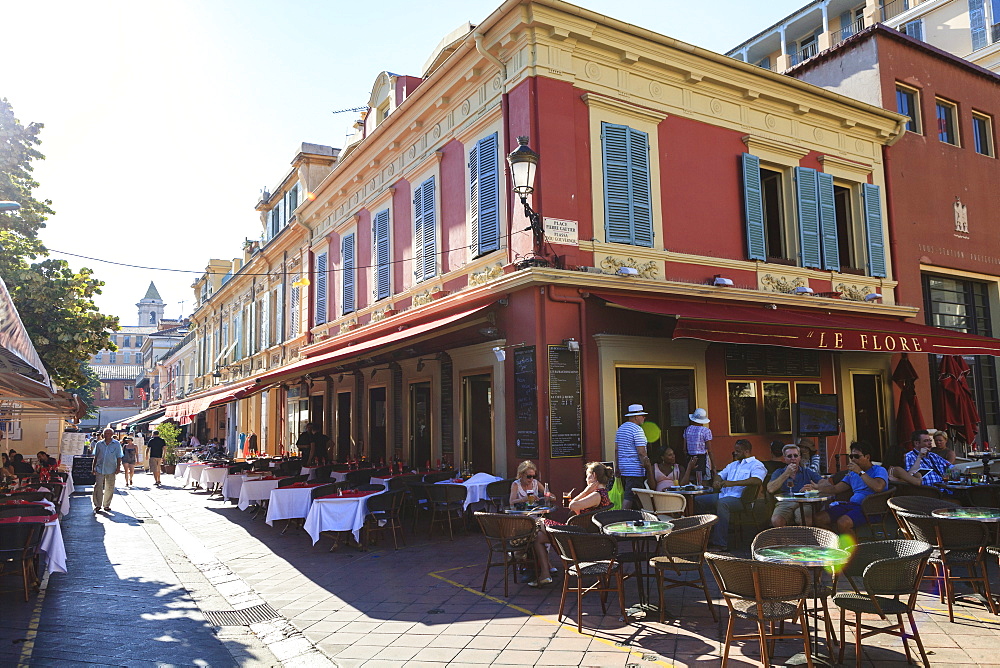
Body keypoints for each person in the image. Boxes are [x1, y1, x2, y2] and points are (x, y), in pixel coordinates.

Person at [529, 461, 614, 587]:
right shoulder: (602, 493)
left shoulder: (596, 495)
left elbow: (572, 505)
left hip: (578, 538)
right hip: (582, 534)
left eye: (587, 476)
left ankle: (521, 554)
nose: (586, 479)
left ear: (594, 476)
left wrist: (585, 491)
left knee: (540, 521)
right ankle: (545, 574)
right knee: (538, 538)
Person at [694, 439, 766, 550]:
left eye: (738, 451)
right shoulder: (733, 465)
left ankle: (720, 543)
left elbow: (757, 480)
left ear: (746, 451)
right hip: (724, 495)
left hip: (741, 499)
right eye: (735, 450)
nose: (735, 453)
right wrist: (716, 481)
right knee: (699, 500)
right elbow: (720, 474)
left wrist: (732, 483)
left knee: (722, 504)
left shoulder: (756, 465)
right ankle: (701, 537)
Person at [805, 441, 888, 535]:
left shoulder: (879, 470)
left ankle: (852, 549)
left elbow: (878, 487)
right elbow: (836, 489)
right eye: (851, 456)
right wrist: (817, 488)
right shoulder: (852, 473)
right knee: (819, 518)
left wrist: (860, 472)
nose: (853, 459)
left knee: (843, 523)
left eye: (857, 456)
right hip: (852, 505)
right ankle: (836, 542)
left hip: (870, 508)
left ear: (867, 457)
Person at [767, 444, 821, 527]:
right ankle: (786, 540)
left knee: (805, 520)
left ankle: (803, 539)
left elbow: (826, 484)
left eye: (795, 456)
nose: (793, 459)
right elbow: (770, 489)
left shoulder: (807, 472)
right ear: (784, 459)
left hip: (804, 502)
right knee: (776, 520)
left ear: (799, 457)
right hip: (785, 502)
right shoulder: (779, 472)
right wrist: (786, 473)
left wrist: (816, 487)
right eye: (789, 456)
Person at [616, 404, 650, 509]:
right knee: (630, 496)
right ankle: (622, 517)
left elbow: (617, 450)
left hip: (623, 468)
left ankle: (636, 516)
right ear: (636, 417)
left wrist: (617, 467)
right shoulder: (637, 430)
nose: (644, 417)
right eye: (642, 415)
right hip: (634, 468)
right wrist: (647, 465)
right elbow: (641, 451)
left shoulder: (621, 429)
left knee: (634, 496)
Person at [92, 427, 123, 512]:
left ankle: (106, 505)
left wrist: (118, 468)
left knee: (110, 487)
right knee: (98, 486)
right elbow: (96, 456)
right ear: (103, 434)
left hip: (111, 468)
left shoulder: (116, 444)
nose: (107, 435)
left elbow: (119, 456)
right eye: (106, 433)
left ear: (112, 434)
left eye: (109, 433)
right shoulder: (99, 444)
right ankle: (97, 504)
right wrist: (93, 467)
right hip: (99, 468)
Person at [683, 408, 713, 483]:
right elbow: (710, 450)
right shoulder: (706, 431)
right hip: (702, 459)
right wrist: (714, 466)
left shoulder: (687, 429)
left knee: (692, 482)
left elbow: (684, 448)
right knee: (704, 482)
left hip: (691, 458)